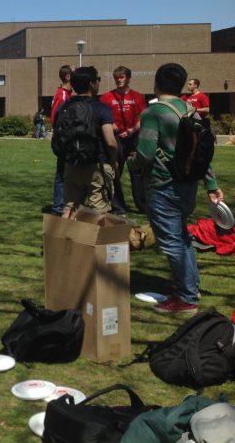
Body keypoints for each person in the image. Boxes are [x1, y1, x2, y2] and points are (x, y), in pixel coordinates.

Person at [127, 63, 223, 314]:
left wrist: (132, 164)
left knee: (172, 243)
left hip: (163, 186)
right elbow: (203, 153)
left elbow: (146, 155)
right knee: (182, 238)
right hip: (188, 186)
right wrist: (211, 185)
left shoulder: (153, 113)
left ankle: (186, 299)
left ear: (156, 83)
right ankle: (191, 288)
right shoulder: (191, 109)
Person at [60, 66, 118, 218]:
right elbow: (110, 142)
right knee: (100, 211)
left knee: (69, 209)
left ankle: (63, 240)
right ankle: (95, 242)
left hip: (72, 164)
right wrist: (113, 161)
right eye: (98, 79)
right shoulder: (101, 108)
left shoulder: (65, 107)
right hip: (97, 165)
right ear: (92, 84)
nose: (99, 82)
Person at [99, 66, 147, 214]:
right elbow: (102, 116)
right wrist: (111, 124)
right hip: (116, 139)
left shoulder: (137, 96)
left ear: (128, 78)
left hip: (133, 139)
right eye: (116, 78)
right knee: (114, 171)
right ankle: (116, 204)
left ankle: (142, 205)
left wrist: (132, 130)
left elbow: (143, 117)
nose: (119, 80)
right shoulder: (106, 97)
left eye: (122, 77)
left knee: (136, 172)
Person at [44, 65, 72, 215]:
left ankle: (63, 204)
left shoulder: (66, 94)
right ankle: (58, 206)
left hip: (64, 139)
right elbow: (55, 117)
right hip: (64, 141)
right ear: (67, 77)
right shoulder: (62, 95)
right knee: (61, 174)